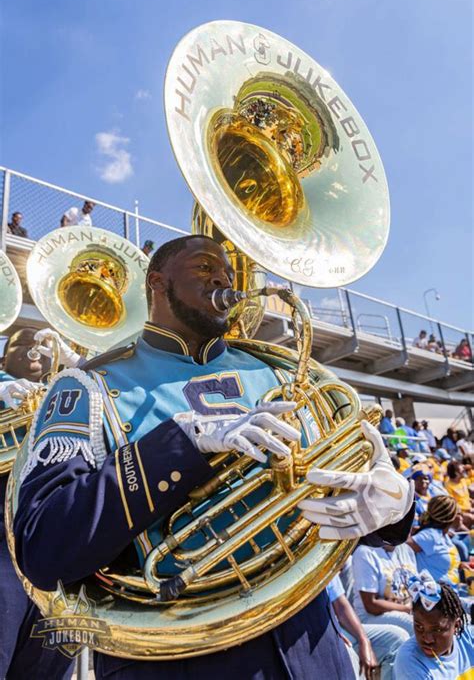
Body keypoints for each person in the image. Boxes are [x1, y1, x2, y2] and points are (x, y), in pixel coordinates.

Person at [13, 235, 415, 680]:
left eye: (226, 268)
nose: (223, 276)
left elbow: (344, 491)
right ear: (157, 283)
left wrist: (395, 508)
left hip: (312, 649)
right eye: (204, 267)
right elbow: (44, 544)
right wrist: (183, 441)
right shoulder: (86, 387)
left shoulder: (283, 372)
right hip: (179, 663)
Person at [0, 329, 74, 680]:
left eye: (42, 346)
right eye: (21, 344)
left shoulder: (70, 401)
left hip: (61, 568)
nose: (34, 350)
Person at [327, 573, 408, 680]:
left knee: (398, 638)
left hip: (338, 626)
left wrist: (364, 641)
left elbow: (341, 605)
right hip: (320, 638)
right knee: (349, 659)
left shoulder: (323, 567)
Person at [394, 571, 473, 678]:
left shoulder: (469, 639)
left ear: (456, 626)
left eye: (437, 630)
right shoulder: (410, 662)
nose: (427, 639)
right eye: (419, 627)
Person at [351, 539, 417, 635]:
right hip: (371, 617)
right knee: (413, 625)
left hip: (407, 610)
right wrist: (408, 609)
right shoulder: (365, 552)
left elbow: (415, 587)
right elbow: (371, 605)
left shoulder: (406, 550)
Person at [407, 496, 466, 586]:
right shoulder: (431, 535)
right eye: (459, 513)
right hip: (435, 596)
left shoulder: (443, 535)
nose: (461, 516)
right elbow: (403, 546)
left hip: (452, 592)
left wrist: (460, 565)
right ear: (451, 517)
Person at [444, 461, 474, 527]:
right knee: (471, 518)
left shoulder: (463, 481)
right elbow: (452, 505)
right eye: (462, 470)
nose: (465, 471)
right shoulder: (448, 486)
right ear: (456, 473)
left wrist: (471, 501)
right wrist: (468, 509)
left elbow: (465, 498)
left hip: (470, 509)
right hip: (459, 513)